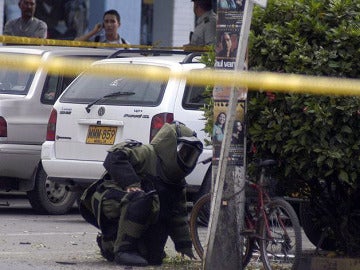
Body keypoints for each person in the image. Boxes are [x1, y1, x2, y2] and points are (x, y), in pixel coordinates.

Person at [79, 122, 203, 266]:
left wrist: (185, 249)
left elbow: (178, 215)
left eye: (190, 155)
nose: (186, 157)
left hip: (139, 209)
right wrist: (131, 184)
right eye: (183, 151)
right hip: (112, 200)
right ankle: (123, 251)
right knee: (141, 198)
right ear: (170, 146)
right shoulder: (146, 153)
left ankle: (112, 246)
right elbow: (114, 157)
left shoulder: (177, 181)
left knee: (154, 258)